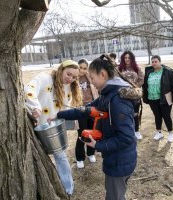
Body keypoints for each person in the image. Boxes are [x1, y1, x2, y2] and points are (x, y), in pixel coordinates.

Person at [48, 54, 137, 200]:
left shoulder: (117, 100)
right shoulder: (107, 95)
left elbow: (127, 137)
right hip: (116, 159)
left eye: (92, 77)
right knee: (117, 194)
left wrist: (99, 145)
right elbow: (84, 110)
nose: (92, 81)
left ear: (102, 74)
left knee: (114, 196)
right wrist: (59, 115)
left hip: (120, 162)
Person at [24, 60, 82, 196]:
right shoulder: (45, 78)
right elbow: (29, 89)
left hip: (52, 128)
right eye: (69, 74)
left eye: (74, 77)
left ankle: (68, 188)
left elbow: (63, 107)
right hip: (36, 125)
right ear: (61, 69)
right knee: (37, 155)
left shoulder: (68, 87)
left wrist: (69, 120)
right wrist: (35, 107)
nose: (71, 79)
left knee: (60, 155)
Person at [142, 55, 173, 142]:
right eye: (153, 62)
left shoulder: (168, 71)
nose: (154, 63)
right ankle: (159, 132)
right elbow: (145, 85)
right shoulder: (149, 72)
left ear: (160, 62)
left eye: (156, 61)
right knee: (157, 116)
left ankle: (170, 133)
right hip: (152, 97)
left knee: (166, 116)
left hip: (165, 98)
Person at [76, 59, 99, 169]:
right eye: (81, 67)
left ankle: (91, 153)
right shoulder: (74, 79)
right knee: (81, 133)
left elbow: (96, 90)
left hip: (92, 107)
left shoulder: (90, 78)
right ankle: (80, 157)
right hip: (80, 109)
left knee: (92, 131)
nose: (83, 70)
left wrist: (89, 77)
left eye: (85, 68)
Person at [118, 50, 144, 140]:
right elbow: (116, 79)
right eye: (125, 57)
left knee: (135, 114)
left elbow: (141, 79)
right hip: (123, 96)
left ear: (132, 58)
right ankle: (127, 132)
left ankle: (136, 131)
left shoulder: (137, 68)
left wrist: (135, 86)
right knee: (124, 115)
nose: (127, 59)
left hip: (134, 96)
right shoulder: (119, 68)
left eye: (129, 57)